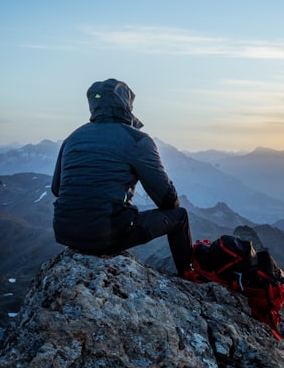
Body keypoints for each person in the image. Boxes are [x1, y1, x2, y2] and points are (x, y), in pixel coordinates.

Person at [51, 78, 193, 276]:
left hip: (64, 232)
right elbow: (167, 199)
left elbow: (57, 189)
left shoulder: (72, 138)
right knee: (179, 216)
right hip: (106, 235)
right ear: (127, 103)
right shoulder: (137, 140)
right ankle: (189, 275)